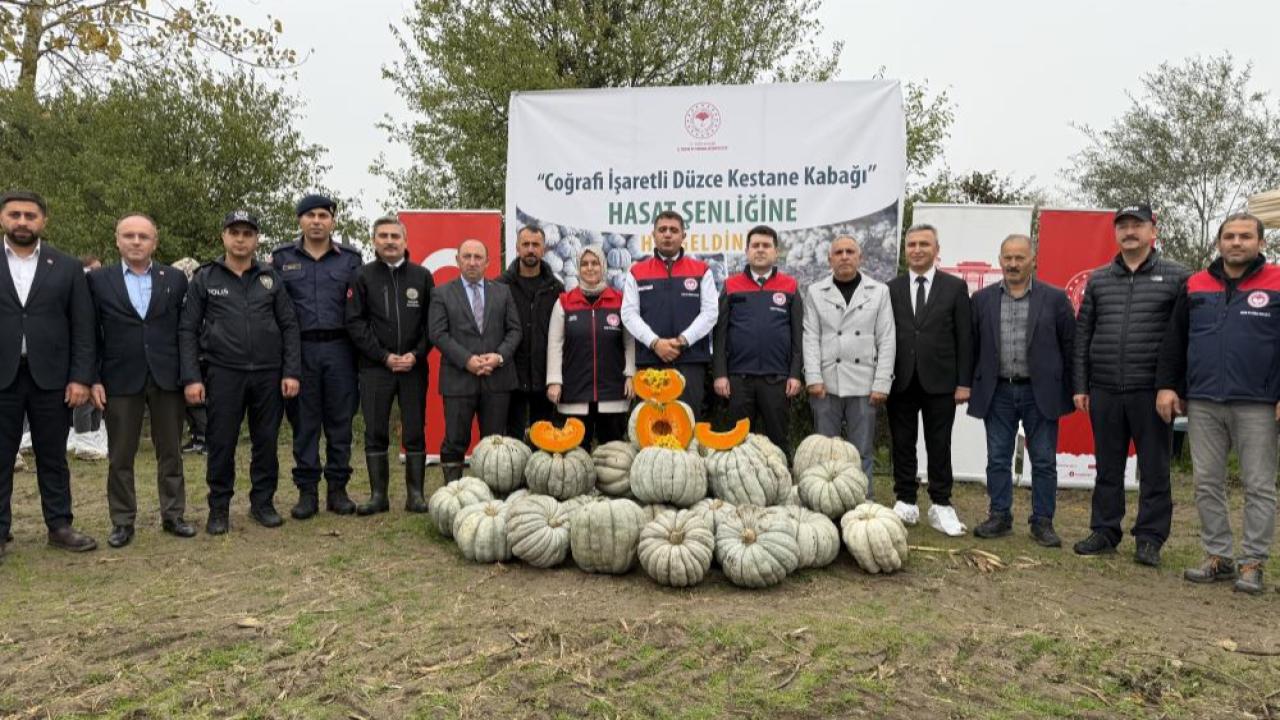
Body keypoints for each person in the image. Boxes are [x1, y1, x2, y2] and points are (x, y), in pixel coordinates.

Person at [1156, 213, 1278, 593]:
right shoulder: (1195, 284)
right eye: (1229, 236)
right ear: (1218, 243)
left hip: (1257, 402)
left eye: (1245, 236)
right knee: (1207, 482)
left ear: (1261, 243)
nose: (1236, 242)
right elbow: (1175, 340)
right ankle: (1218, 556)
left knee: (1259, 485)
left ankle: (1253, 562)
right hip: (1203, 400)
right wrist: (1167, 386)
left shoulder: (1276, 282)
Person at [1072, 203, 1189, 566]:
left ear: (1153, 231)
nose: (1129, 231)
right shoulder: (1100, 279)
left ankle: (1150, 538)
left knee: (1154, 468)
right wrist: (1081, 384)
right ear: (1115, 233)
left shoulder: (1178, 277)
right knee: (1107, 467)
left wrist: (1175, 387)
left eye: (1137, 224)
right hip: (1105, 387)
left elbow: (1185, 337)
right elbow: (1083, 334)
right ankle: (1105, 530)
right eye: (1122, 225)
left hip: (1151, 391)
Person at [180, 211, 301, 534]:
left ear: (256, 239)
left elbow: (289, 326)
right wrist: (192, 377)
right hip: (223, 373)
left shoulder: (271, 278)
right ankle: (219, 508)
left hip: (268, 374)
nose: (241, 239)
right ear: (224, 236)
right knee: (221, 442)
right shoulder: (205, 277)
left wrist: (291, 371)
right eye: (234, 232)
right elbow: (188, 330)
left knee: (266, 442)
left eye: (248, 233)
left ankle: (262, 503)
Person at [86, 213, 196, 548]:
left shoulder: (175, 279)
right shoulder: (97, 280)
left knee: (171, 451)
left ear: (155, 242)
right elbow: (89, 333)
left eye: (143, 236)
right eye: (129, 235)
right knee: (120, 454)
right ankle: (122, 521)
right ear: (117, 239)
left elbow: (184, 331)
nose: (136, 242)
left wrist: (189, 375)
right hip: (119, 377)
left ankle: (173, 514)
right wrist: (92, 378)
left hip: (167, 376)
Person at [0, 190, 98, 559]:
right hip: (2, 376)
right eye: (15, 214)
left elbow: (83, 326)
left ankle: (59, 525)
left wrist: (81, 378)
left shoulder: (67, 266)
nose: (22, 221)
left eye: (30, 215)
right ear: (3, 218)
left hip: (53, 379)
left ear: (43, 220)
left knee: (52, 455)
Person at [967, 234, 1075, 547]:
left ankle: (1043, 522)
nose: (1013, 264)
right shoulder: (983, 300)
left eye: (1019, 258)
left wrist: (1074, 388)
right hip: (997, 392)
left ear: (1032, 261)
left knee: (1043, 460)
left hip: (1040, 392)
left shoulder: (1054, 299)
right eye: (1007, 258)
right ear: (999, 260)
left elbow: (1070, 346)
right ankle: (999, 516)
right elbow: (972, 347)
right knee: (997, 458)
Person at [271, 194, 363, 520]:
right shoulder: (282, 258)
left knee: (340, 424)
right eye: (310, 215)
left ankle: (337, 490)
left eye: (323, 215)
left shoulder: (350, 259)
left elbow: (360, 308)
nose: (316, 221)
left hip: (341, 350)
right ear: (300, 220)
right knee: (305, 425)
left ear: (333, 221)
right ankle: (306, 492)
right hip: (301, 350)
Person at [345, 217, 434, 515]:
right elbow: (355, 323)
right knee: (375, 431)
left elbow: (431, 324)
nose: (389, 241)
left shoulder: (422, 276)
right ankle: (378, 496)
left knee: (414, 431)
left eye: (395, 235)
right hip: (375, 368)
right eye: (382, 235)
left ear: (405, 241)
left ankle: (416, 496)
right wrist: (383, 356)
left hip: (413, 367)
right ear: (374, 241)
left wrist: (416, 355)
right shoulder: (362, 276)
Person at [886, 224, 972, 536]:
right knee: (903, 442)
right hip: (901, 380)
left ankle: (941, 503)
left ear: (937, 250)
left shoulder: (954, 287)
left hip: (942, 381)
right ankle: (906, 500)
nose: (917, 249)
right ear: (905, 250)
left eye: (924, 244)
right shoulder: (891, 288)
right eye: (912, 245)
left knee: (939, 443)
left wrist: (964, 382)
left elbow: (965, 337)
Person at [801, 234, 895, 484]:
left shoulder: (879, 291)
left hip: (864, 384)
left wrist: (881, 383)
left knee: (861, 451)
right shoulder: (815, 291)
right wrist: (812, 378)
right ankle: (823, 506)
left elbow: (886, 339)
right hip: (825, 384)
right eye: (839, 252)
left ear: (860, 257)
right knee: (824, 452)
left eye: (850, 252)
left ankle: (863, 502)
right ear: (830, 258)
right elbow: (810, 337)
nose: (844, 256)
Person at [428, 239, 521, 483]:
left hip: (497, 379)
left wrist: (499, 356)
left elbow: (515, 331)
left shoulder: (503, 292)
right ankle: (454, 492)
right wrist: (466, 359)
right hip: (459, 379)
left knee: (493, 444)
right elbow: (438, 333)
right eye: (467, 256)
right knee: (455, 440)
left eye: (478, 257)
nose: (472, 262)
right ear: (457, 260)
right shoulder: (441, 293)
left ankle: (489, 493)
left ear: (487, 262)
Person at [713, 225, 804, 453]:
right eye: (755, 245)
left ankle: (782, 486)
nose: (760, 250)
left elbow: (797, 336)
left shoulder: (790, 286)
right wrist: (720, 374)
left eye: (766, 245)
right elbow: (720, 334)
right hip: (738, 380)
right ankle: (735, 486)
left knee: (778, 442)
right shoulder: (730, 285)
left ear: (776, 252)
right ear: (747, 251)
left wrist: (794, 374)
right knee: (737, 445)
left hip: (777, 380)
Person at [621, 211, 718, 418]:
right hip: (650, 361)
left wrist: (683, 341)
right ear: (653, 236)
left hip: (690, 361)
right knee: (651, 426)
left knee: (687, 423)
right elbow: (628, 313)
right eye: (662, 230)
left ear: (683, 235)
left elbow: (710, 313)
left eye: (673, 230)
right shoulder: (637, 271)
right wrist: (655, 343)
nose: (667, 235)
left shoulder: (702, 270)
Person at [546, 245, 635, 446]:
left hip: (613, 390)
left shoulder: (620, 301)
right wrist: (554, 380)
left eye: (594, 263)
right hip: (574, 390)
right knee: (575, 456)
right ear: (578, 268)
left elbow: (630, 342)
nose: (590, 268)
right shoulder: (564, 302)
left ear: (603, 266)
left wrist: (630, 375)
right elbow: (555, 344)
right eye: (584, 264)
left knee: (613, 455)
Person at [497, 225, 563, 442]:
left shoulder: (556, 289)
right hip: (510, 375)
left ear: (544, 249)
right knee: (511, 441)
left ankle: (537, 477)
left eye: (536, 245)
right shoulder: (500, 286)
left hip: (543, 376)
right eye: (525, 244)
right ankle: (514, 477)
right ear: (517, 248)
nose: (530, 249)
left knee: (542, 439)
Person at [68, 254, 108, 461]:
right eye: (93, 269)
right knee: (84, 402)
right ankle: (82, 439)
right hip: (85, 352)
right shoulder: (79, 288)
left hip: (100, 350)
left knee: (97, 401)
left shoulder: (99, 291)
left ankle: (95, 436)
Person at [171, 256, 206, 454]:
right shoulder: (177, 294)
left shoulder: (200, 293)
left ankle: (205, 436)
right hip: (183, 353)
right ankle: (196, 436)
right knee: (187, 401)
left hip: (200, 354)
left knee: (199, 400)